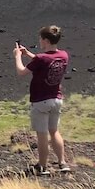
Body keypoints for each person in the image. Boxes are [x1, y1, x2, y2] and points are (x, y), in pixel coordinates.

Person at [13, 26, 70, 176]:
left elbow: (21, 72)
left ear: (45, 40)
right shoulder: (63, 55)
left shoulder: (40, 58)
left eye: (40, 39)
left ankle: (42, 166)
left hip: (41, 101)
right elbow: (46, 62)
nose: (39, 41)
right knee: (54, 131)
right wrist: (28, 54)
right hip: (57, 99)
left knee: (42, 134)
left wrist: (18, 56)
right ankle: (62, 162)